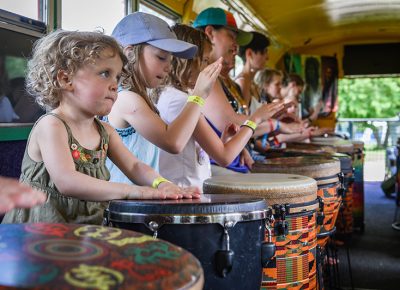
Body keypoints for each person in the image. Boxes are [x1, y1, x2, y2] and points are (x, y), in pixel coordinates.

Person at [2, 30, 199, 225]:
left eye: (117, 77)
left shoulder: (105, 131)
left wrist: (164, 185)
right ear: (65, 79)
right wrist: (133, 191)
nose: (115, 85)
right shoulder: (52, 125)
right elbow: (67, 181)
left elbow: (135, 166)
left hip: (83, 227)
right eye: (105, 74)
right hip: (37, 231)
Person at [105, 12, 222, 184]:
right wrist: (198, 95)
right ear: (130, 54)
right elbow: (173, 142)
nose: (168, 67)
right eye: (161, 57)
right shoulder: (126, 99)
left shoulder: (141, 98)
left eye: (171, 60)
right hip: (125, 205)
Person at [157, 24, 279, 188]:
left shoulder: (178, 96)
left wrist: (224, 140)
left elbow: (199, 149)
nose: (207, 67)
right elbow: (224, 157)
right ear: (188, 61)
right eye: (206, 60)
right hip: (186, 192)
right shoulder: (183, 102)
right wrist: (255, 119)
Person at [236, 31, 270, 113]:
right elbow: (245, 118)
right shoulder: (243, 82)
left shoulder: (252, 83)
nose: (267, 57)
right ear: (249, 53)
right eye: (264, 52)